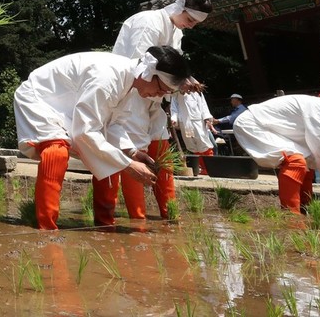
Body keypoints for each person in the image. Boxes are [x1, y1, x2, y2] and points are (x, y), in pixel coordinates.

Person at [13, 45, 192, 230]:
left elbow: (114, 124)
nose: (159, 95)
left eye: (166, 93)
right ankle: (46, 227)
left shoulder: (131, 84)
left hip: (67, 109)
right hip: (39, 99)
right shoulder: (108, 78)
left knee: (111, 156)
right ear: (148, 73)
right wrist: (127, 165)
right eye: (161, 89)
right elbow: (84, 131)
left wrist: (132, 152)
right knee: (56, 152)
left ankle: (104, 224)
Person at [95, 0, 212, 225]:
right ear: (178, 8)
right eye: (189, 19)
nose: (190, 25)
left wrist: (184, 81)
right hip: (134, 93)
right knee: (131, 148)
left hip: (158, 96)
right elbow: (141, 66)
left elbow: (172, 65)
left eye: (195, 23)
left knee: (162, 147)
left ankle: (170, 214)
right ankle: (135, 220)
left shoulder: (177, 30)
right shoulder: (147, 21)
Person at [233, 93, 320, 213]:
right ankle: (291, 214)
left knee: (307, 165)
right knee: (296, 162)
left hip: (266, 127)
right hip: (253, 125)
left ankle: (305, 207)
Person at [171, 90, 215, 175]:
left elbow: (203, 106)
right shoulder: (175, 94)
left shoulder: (197, 92)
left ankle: (209, 168)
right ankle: (201, 168)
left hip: (198, 122)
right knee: (193, 145)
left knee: (204, 144)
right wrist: (174, 118)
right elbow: (174, 108)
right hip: (185, 123)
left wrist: (207, 119)